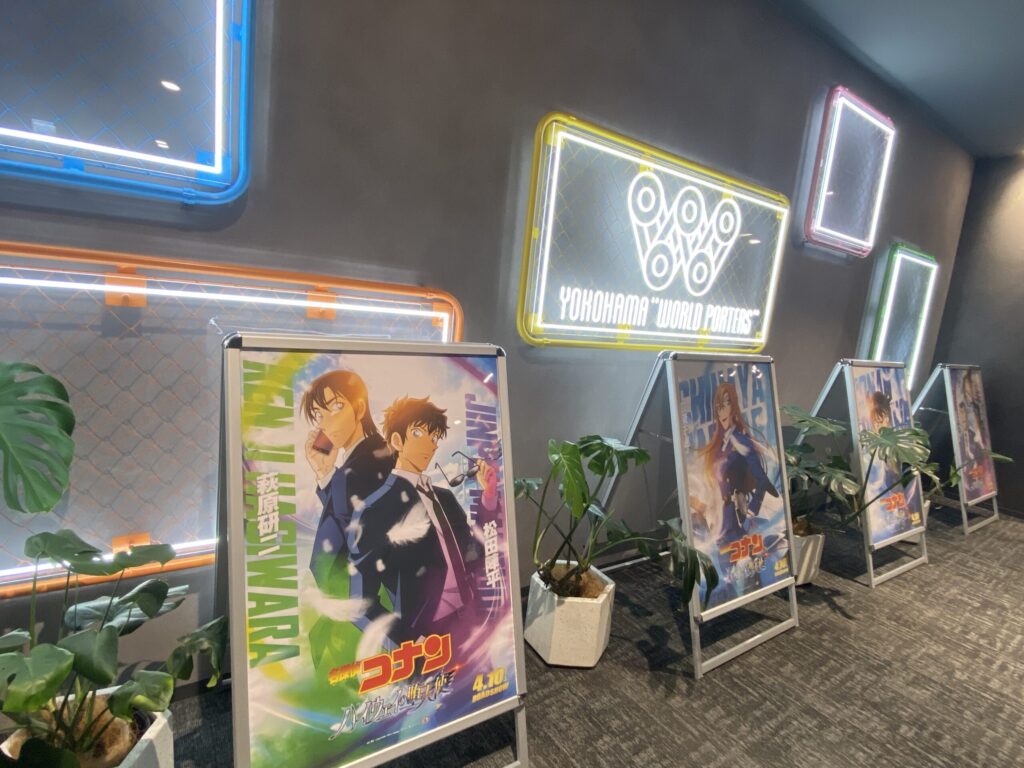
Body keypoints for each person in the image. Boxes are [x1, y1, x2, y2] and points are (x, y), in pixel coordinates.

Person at [347, 396, 497, 644]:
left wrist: (488, 498)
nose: (431, 445)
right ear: (397, 441)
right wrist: (408, 641)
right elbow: (359, 601)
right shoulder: (375, 508)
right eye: (418, 433)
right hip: (426, 636)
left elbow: (472, 553)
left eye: (435, 437)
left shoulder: (445, 498)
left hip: (472, 621)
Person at [301, 369, 394, 596]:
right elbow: (346, 514)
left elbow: (344, 540)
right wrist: (325, 472)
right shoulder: (375, 456)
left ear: (359, 409)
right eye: (318, 414)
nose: (325, 423)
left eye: (336, 407)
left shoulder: (362, 466)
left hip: (358, 598)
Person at [695, 381, 778, 547]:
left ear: (733, 406)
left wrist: (751, 512)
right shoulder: (719, 445)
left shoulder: (741, 441)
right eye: (718, 406)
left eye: (726, 403)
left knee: (740, 559)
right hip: (719, 519)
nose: (722, 411)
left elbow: (762, 479)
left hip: (735, 519)